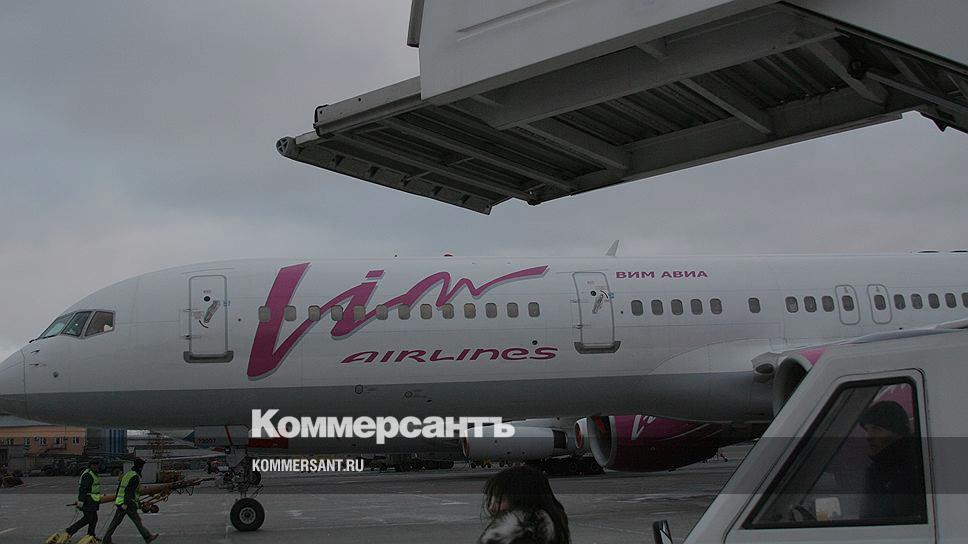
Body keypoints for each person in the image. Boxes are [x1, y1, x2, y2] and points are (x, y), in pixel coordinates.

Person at [858, 400, 926, 521]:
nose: (868, 436)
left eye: (877, 429)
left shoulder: (909, 472)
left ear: (898, 433)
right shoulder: (882, 468)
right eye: (867, 429)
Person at [477, 466, 570, 544]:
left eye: (498, 500)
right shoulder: (551, 532)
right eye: (491, 500)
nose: (491, 508)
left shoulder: (513, 536)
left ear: (522, 501)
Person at [101, 459, 158, 543]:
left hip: (122, 501)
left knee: (115, 522)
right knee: (136, 521)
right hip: (127, 503)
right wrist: (125, 503)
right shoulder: (135, 477)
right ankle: (147, 537)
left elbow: (121, 487)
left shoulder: (128, 474)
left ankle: (106, 540)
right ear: (140, 467)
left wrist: (120, 500)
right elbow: (129, 491)